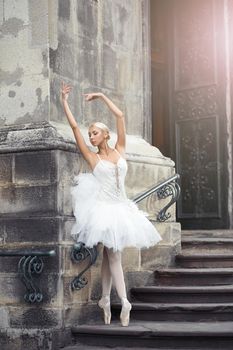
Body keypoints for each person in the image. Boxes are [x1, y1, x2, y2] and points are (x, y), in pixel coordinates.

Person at [61, 82, 162, 327]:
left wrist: (102, 96)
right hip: (104, 211)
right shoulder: (92, 157)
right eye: (90, 134)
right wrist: (64, 102)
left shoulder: (121, 149)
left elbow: (120, 116)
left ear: (105, 134)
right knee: (112, 256)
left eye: (95, 132)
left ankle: (114, 300)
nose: (91, 136)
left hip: (122, 209)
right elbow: (74, 127)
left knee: (110, 256)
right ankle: (116, 301)